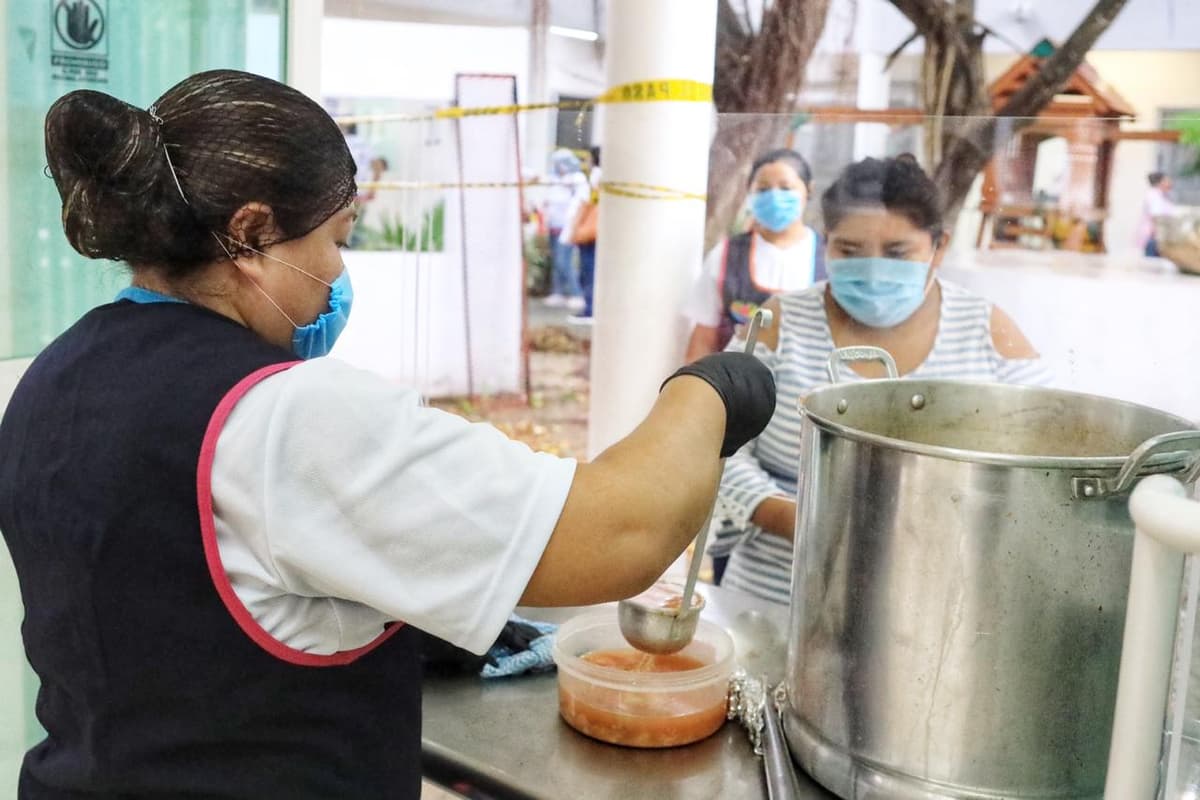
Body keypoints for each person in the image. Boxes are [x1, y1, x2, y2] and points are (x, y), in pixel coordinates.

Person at [0, 70, 776, 799]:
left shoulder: (51, 378)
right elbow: (624, 531)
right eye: (336, 237)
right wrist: (704, 391)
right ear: (250, 233)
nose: (339, 270)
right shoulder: (285, 416)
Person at [709, 155, 1053, 606]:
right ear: (825, 244)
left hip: (938, 605)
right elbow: (716, 443)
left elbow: (1046, 451)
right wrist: (796, 519)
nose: (872, 269)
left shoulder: (987, 330)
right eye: (849, 251)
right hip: (778, 595)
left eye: (896, 253)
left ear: (938, 246)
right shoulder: (778, 322)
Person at [683, 149, 825, 363]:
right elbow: (704, 337)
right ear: (749, 193)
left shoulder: (828, 259)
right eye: (763, 189)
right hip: (736, 386)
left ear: (809, 190)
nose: (774, 196)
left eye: (786, 188)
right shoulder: (726, 256)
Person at [542, 148, 588, 310]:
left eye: (561, 163)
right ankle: (557, 292)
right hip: (553, 225)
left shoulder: (577, 179)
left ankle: (577, 294)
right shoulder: (553, 179)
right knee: (556, 261)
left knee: (564, 261)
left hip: (567, 226)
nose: (559, 167)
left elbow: (582, 200)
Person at [567, 145, 602, 323]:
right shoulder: (600, 176)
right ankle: (590, 307)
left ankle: (590, 309)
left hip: (590, 231)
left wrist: (575, 227)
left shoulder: (596, 176)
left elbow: (586, 203)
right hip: (595, 231)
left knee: (589, 271)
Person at [1137, 171, 1179, 257]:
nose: (1170, 183)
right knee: (1153, 264)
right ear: (1160, 182)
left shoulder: (1163, 195)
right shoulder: (1154, 195)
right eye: (1167, 180)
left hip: (1160, 237)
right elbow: (1157, 216)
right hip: (1154, 237)